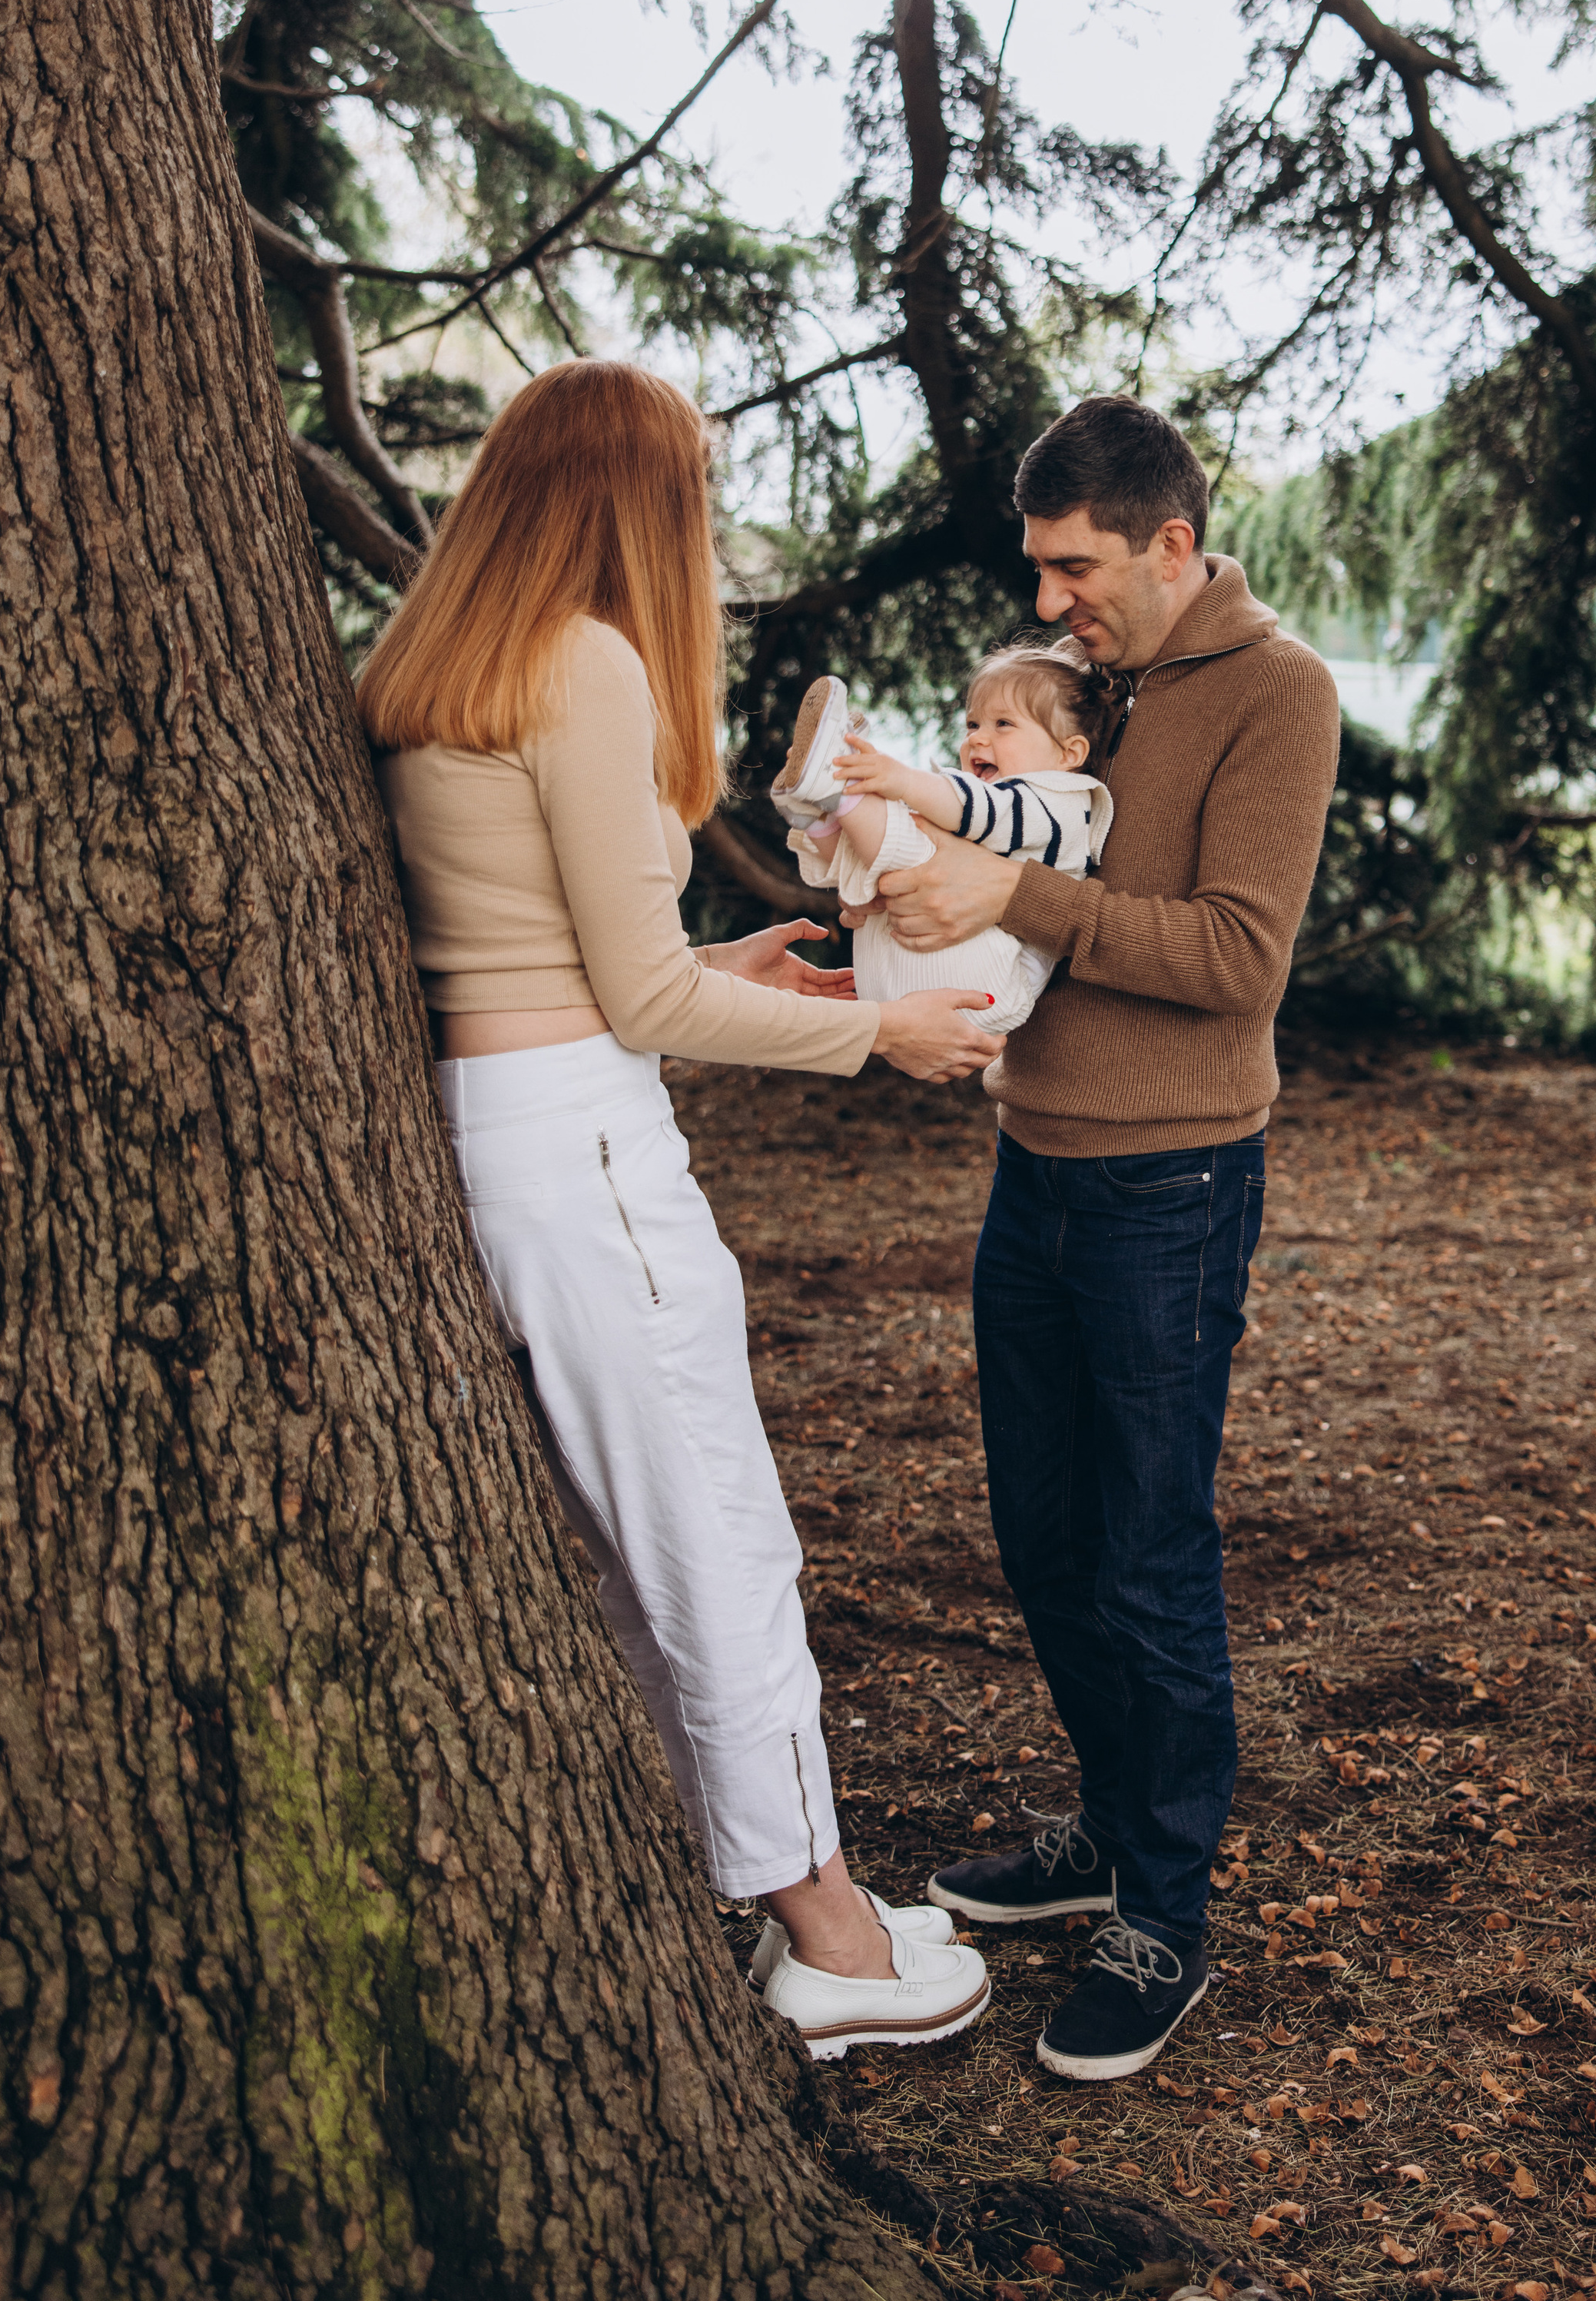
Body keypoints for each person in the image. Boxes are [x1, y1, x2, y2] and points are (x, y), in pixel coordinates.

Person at [357, 357, 1000, 2060]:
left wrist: (723, 960)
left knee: (652, 1541)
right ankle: (830, 1933)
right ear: (635, 499)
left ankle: (756, 1872)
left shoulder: (445, 665)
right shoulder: (581, 664)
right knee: (715, 1534)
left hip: (505, 1118)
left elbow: (544, 950)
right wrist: (883, 1030)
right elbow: (637, 1009)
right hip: (584, 1151)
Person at [906, 396, 1342, 2082]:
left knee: (1149, 1555)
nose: (1047, 604)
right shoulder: (1098, 685)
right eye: (1036, 568)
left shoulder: (1276, 692)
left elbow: (1234, 956)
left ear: (1171, 540)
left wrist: (1006, 894)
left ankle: (1161, 1899)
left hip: (1172, 1183)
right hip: (1033, 1166)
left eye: (1073, 566)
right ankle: (1103, 1818)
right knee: (1040, 1530)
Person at [771, 645, 1114, 1035]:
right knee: (893, 854)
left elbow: (982, 810)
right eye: (972, 725)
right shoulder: (993, 797)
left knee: (918, 841)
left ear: (1069, 754)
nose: (978, 739)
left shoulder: (1061, 801)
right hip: (906, 979)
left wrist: (899, 778)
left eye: (1003, 724)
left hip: (989, 986)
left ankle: (838, 786)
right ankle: (818, 813)